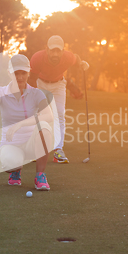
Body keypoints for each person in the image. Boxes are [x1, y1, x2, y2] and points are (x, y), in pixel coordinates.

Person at [0, 54, 54, 190]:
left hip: (32, 144)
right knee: (11, 164)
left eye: (23, 73)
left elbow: (49, 116)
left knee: (44, 127)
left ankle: (40, 176)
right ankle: (15, 171)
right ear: (9, 73)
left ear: (28, 73)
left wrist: (20, 124)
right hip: (11, 144)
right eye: (16, 73)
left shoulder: (36, 93)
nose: (20, 77)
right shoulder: (1, 91)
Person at [29, 35, 89, 163]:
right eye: (52, 50)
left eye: (58, 51)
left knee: (60, 114)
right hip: (40, 83)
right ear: (47, 49)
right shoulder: (37, 58)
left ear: (63, 51)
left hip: (58, 85)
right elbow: (32, 79)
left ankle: (58, 150)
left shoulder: (68, 57)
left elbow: (76, 59)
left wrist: (82, 63)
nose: (55, 54)